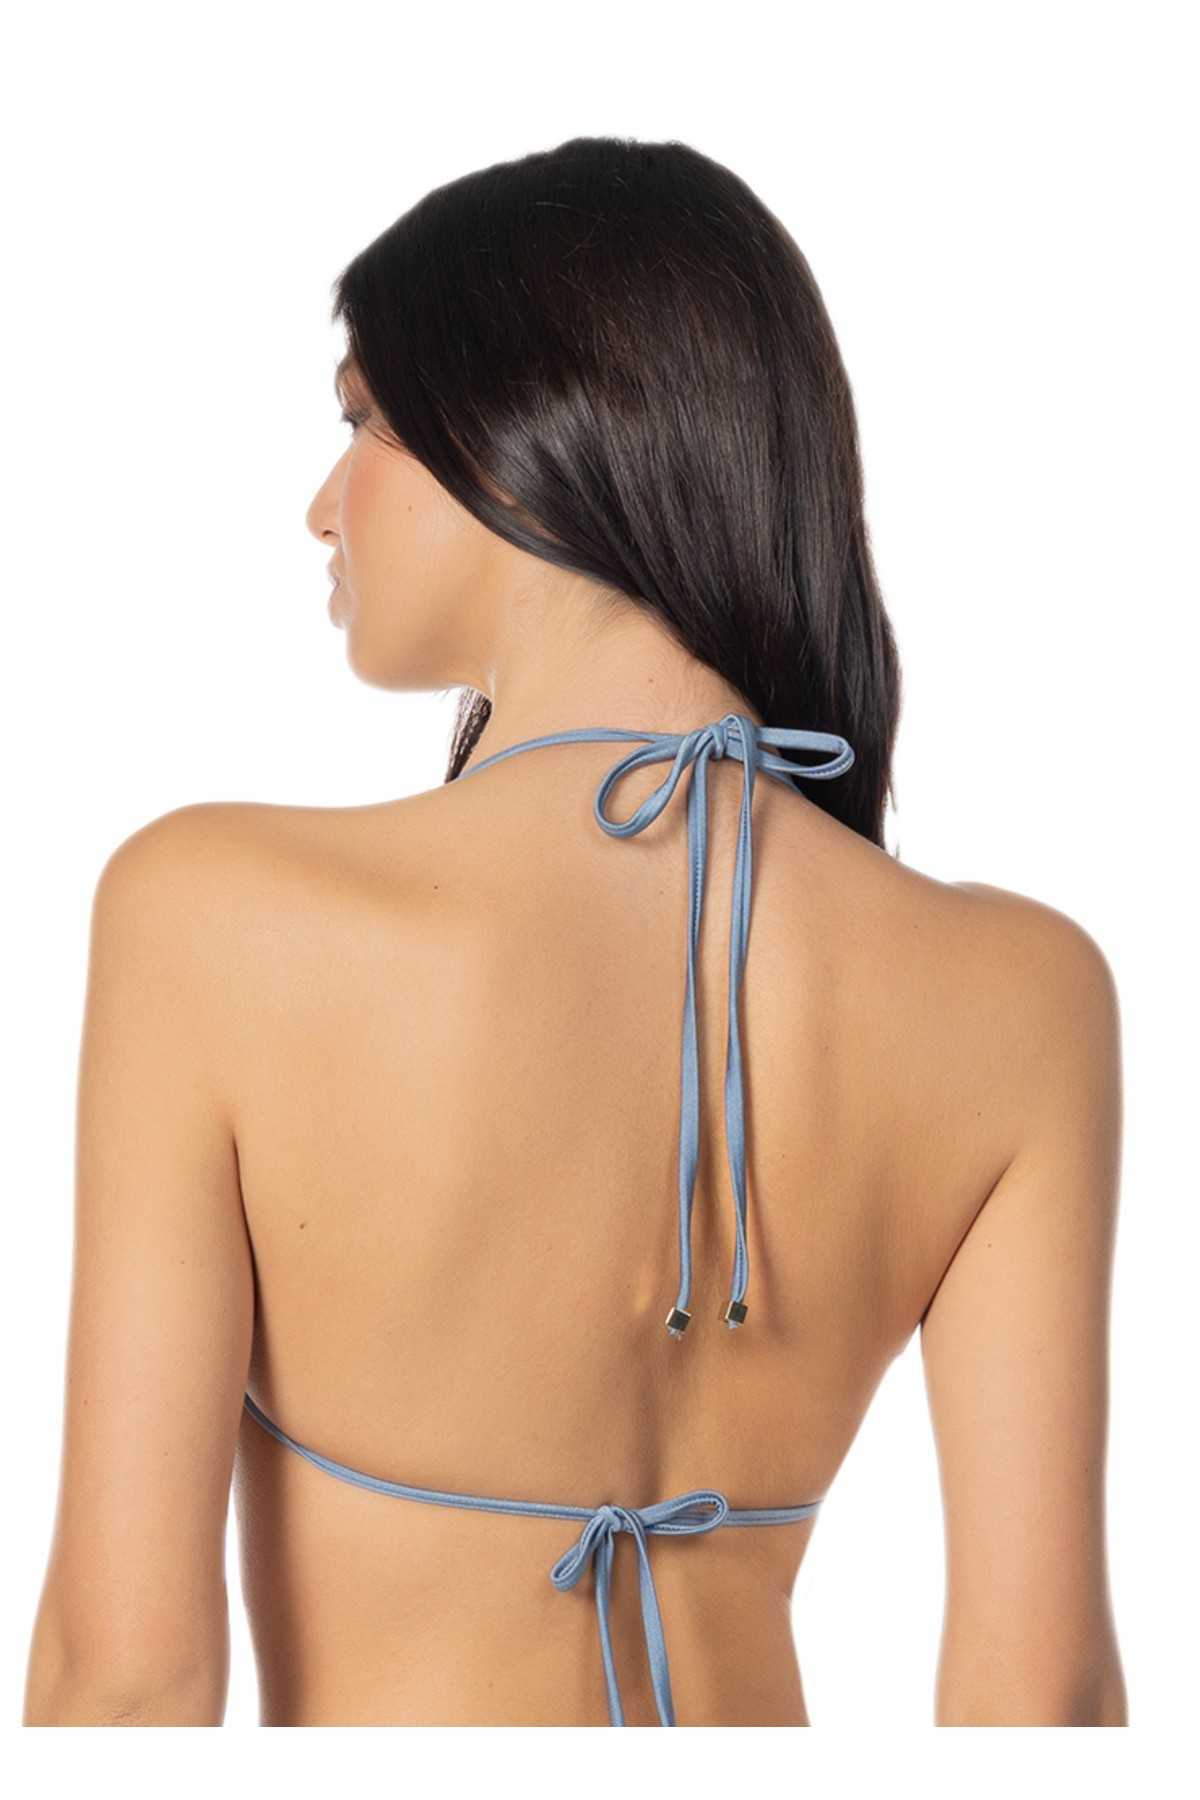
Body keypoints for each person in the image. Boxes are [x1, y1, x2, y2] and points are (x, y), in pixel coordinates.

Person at [23, 135, 1127, 1727]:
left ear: (523, 430)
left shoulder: (211, 915)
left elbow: (127, 1680)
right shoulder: (1023, 994)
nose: (322, 506)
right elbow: (1043, 1705)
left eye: (361, 420)